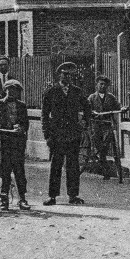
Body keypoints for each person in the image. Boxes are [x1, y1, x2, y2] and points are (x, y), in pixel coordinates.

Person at [41, 61, 91, 205]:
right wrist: (47, 134)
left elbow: (87, 108)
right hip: (56, 135)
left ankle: (73, 195)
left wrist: (84, 123)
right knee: (56, 165)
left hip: (73, 134)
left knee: (73, 166)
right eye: (64, 74)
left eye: (70, 75)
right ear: (60, 74)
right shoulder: (51, 92)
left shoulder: (77, 91)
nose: (67, 77)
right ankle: (52, 196)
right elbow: (44, 115)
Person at [0, 78, 32, 210]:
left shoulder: (22, 106)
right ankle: (4, 200)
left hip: (17, 141)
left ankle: (22, 199)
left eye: (15, 90)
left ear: (18, 92)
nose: (12, 92)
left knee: (19, 170)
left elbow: (26, 124)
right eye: (9, 89)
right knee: (4, 169)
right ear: (5, 90)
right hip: (3, 139)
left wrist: (21, 128)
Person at [85, 76, 123, 179]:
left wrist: (122, 108)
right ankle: (104, 165)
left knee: (106, 145)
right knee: (98, 145)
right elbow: (87, 109)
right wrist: (93, 112)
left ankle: (106, 166)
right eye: (101, 84)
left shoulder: (111, 97)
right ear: (97, 85)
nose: (103, 86)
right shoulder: (92, 97)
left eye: (105, 84)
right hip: (96, 125)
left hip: (107, 124)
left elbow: (117, 106)